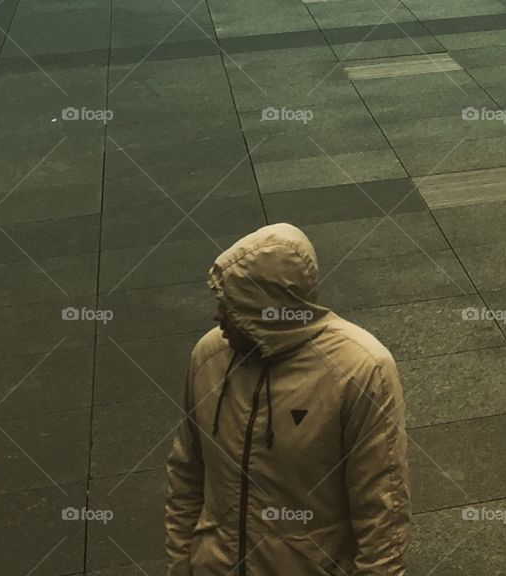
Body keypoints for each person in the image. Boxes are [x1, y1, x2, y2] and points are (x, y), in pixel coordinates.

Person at [165, 223, 411, 576]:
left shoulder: (360, 369)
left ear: (265, 309)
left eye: (231, 306)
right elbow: (187, 473)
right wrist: (180, 567)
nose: (218, 316)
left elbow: (382, 509)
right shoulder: (209, 356)